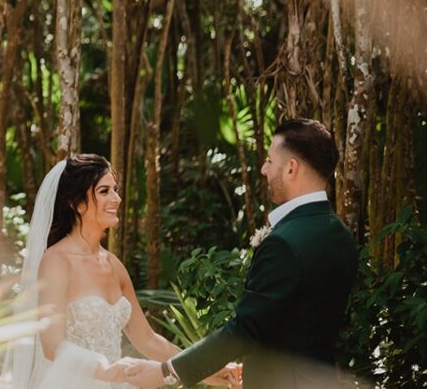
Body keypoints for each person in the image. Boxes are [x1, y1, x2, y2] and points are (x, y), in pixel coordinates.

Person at [119, 118, 359, 388]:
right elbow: (303, 325)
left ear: (291, 168)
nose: (264, 169)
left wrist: (167, 371)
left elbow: (245, 330)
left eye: (270, 160)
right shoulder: (340, 235)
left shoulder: (284, 242)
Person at [0, 153, 238, 389]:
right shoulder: (56, 261)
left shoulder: (114, 265)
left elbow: (148, 340)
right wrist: (106, 370)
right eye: (104, 191)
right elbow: (52, 344)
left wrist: (209, 369)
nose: (117, 199)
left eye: (115, 189)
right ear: (76, 204)